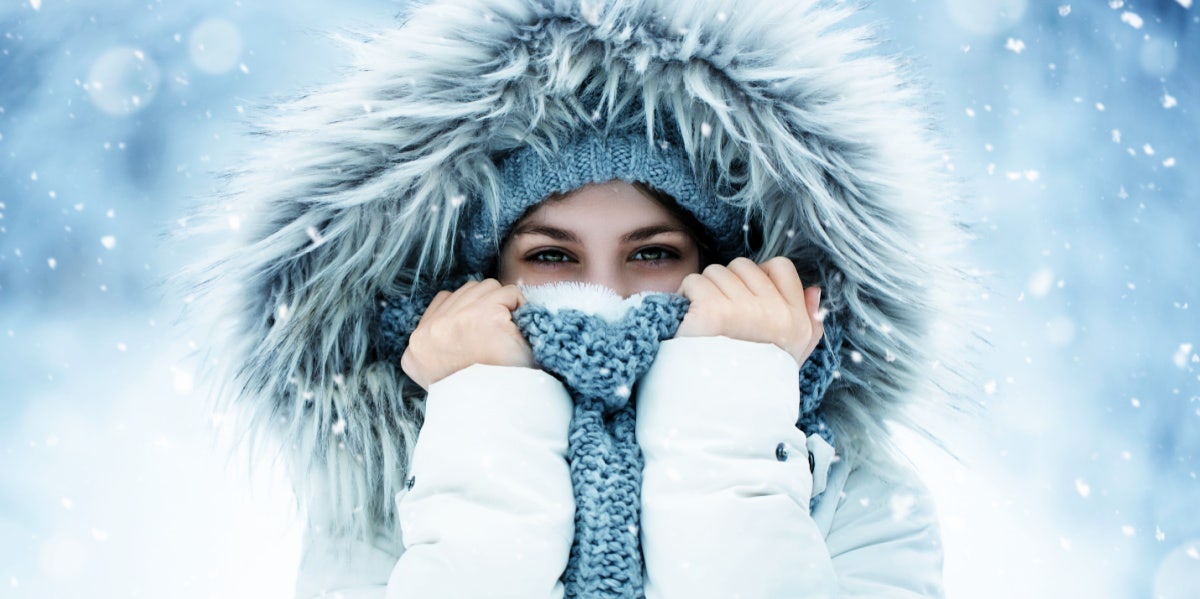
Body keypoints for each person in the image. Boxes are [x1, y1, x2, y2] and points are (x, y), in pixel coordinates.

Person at [190, 0, 974, 597]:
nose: (605, 294)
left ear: (725, 269)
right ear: (483, 282)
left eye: (655, 252)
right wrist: (485, 421)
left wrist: (729, 425)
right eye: (552, 254)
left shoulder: (853, 490)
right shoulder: (386, 494)